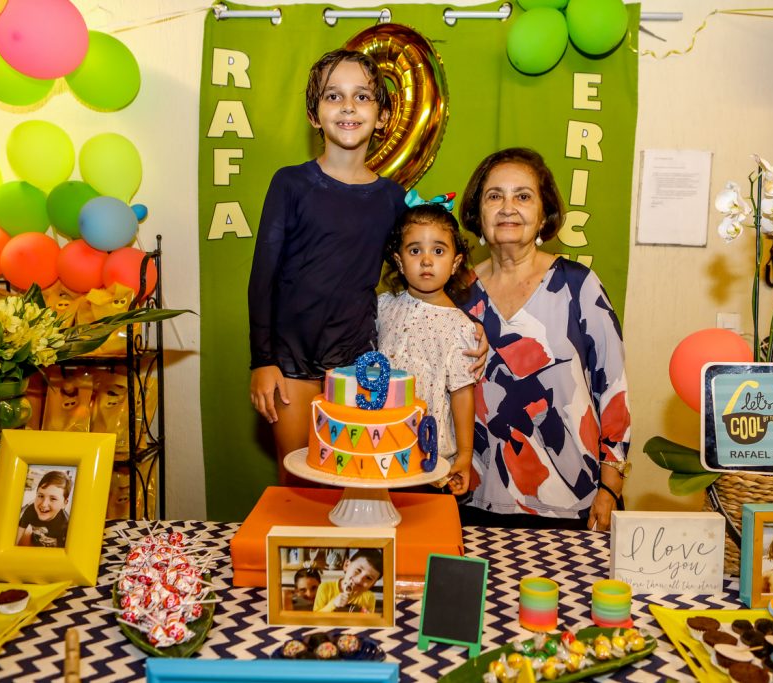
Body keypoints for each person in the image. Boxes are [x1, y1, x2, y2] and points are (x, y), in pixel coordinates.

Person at [248, 49, 486, 484]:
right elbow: (261, 277)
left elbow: (422, 264)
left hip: (358, 368)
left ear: (381, 116)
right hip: (290, 365)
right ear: (314, 115)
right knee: (300, 481)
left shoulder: (392, 200)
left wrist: (466, 320)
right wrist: (262, 361)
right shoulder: (290, 183)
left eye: (362, 97)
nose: (348, 107)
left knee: (356, 481)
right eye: (333, 96)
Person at [457, 147, 631, 531]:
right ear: (477, 213)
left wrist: (611, 486)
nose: (507, 207)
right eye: (494, 196)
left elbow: (613, 387)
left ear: (543, 215)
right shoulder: (457, 292)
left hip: (570, 502)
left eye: (523, 196)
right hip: (471, 499)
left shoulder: (578, 285)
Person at [378, 198, 476, 494]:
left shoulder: (460, 327)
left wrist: (465, 455)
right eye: (415, 250)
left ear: (456, 261)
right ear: (398, 260)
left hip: (427, 457)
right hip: (378, 447)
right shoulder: (382, 306)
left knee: (422, 532)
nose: (426, 260)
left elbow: (462, 393)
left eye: (438, 250)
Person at [313, 548, 383, 613]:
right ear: (346, 565)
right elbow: (315, 618)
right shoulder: (325, 588)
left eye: (369, 578)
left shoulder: (369, 597)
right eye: (358, 570)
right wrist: (333, 604)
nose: (359, 580)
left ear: (373, 584)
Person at [16, 470, 72, 548]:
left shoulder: (66, 525)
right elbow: (17, 538)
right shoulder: (30, 510)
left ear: (64, 503)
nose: (43, 504)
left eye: (53, 499)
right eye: (41, 496)